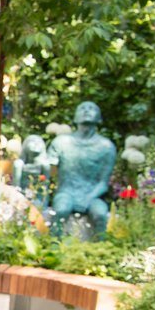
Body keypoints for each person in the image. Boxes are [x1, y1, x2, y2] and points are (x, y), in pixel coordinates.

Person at [48, 101, 116, 237]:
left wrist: (87, 198)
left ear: (99, 118)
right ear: (75, 117)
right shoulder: (61, 142)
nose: (86, 110)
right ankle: (52, 249)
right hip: (66, 193)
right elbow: (49, 171)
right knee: (61, 210)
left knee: (100, 214)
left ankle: (100, 252)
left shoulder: (106, 147)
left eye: (91, 108)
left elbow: (103, 182)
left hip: (92, 195)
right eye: (82, 108)